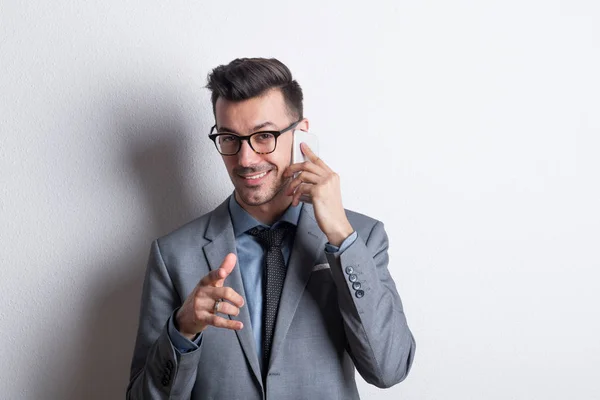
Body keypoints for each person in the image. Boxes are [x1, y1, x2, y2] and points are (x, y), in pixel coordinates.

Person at [126, 57, 416, 400]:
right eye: (230, 138)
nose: (246, 159)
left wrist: (340, 234)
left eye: (264, 136)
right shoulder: (173, 255)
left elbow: (390, 370)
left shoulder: (362, 238)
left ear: (301, 133)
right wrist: (183, 329)